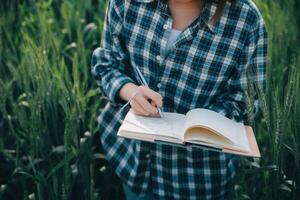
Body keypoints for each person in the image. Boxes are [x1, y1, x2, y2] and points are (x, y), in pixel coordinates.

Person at [91, 0, 268, 199]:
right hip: (131, 160)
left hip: (198, 178)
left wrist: (201, 126)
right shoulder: (126, 3)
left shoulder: (246, 19)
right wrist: (130, 91)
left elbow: (245, 100)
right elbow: (107, 62)